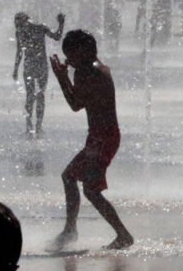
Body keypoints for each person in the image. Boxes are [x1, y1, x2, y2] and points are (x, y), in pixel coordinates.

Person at [48, 30, 134, 251]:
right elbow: (79, 101)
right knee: (69, 177)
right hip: (101, 135)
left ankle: (123, 236)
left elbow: (75, 105)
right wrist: (65, 76)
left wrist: (61, 77)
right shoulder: (94, 68)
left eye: (71, 55)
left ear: (83, 51)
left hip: (103, 137)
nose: (68, 61)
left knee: (91, 190)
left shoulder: (89, 72)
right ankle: (70, 230)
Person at [13, 11, 65, 137]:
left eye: (18, 22)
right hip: (32, 66)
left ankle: (37, 126)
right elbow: (19, 51)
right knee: (31, 96)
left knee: (39, 95)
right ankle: (30, 126)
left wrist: (61, 24)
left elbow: (57, 37)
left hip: (39, 65)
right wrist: (15, 68)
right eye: (16, 23)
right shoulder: (20, 32)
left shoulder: (40, 28)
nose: (17, 25)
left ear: (26, 20)